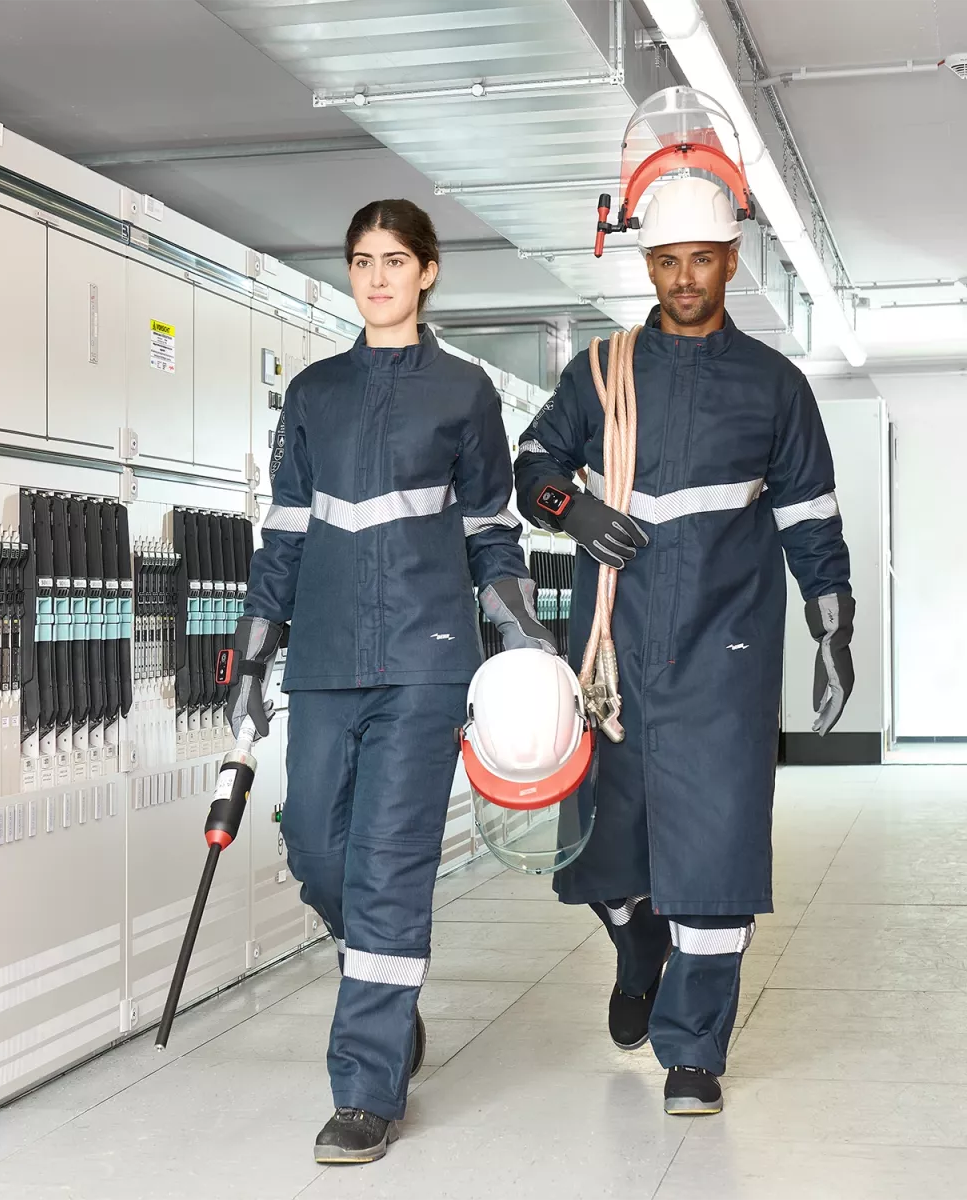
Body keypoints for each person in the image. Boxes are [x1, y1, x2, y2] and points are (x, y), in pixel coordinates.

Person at [514, 176, 855, 1115]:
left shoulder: (773, 386)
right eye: (667, 262)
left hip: (725, 652)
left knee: (714, 853)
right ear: (648, 265)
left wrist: (833, 624)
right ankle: (638, 952)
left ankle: (694, 1050)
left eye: (701, 260)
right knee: (601, 852)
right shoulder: (599, 372)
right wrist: (571, 507)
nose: (684, 279)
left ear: (731, 262)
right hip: (613, 650)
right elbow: (532, 464)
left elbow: (812, 517)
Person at [225, 198, 556, 1163]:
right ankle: (386, 983)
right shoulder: (315, 395)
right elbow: (284, 534)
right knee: (319, 855)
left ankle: (367, 1091)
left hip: (424, 658)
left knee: (387, 866)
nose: (377, 276)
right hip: (325, 658)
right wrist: (253, 655)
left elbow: (491, 529)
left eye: (395, 260)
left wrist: (518, 625)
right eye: (363, 260)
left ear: (428, 272)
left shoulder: (462, 393)